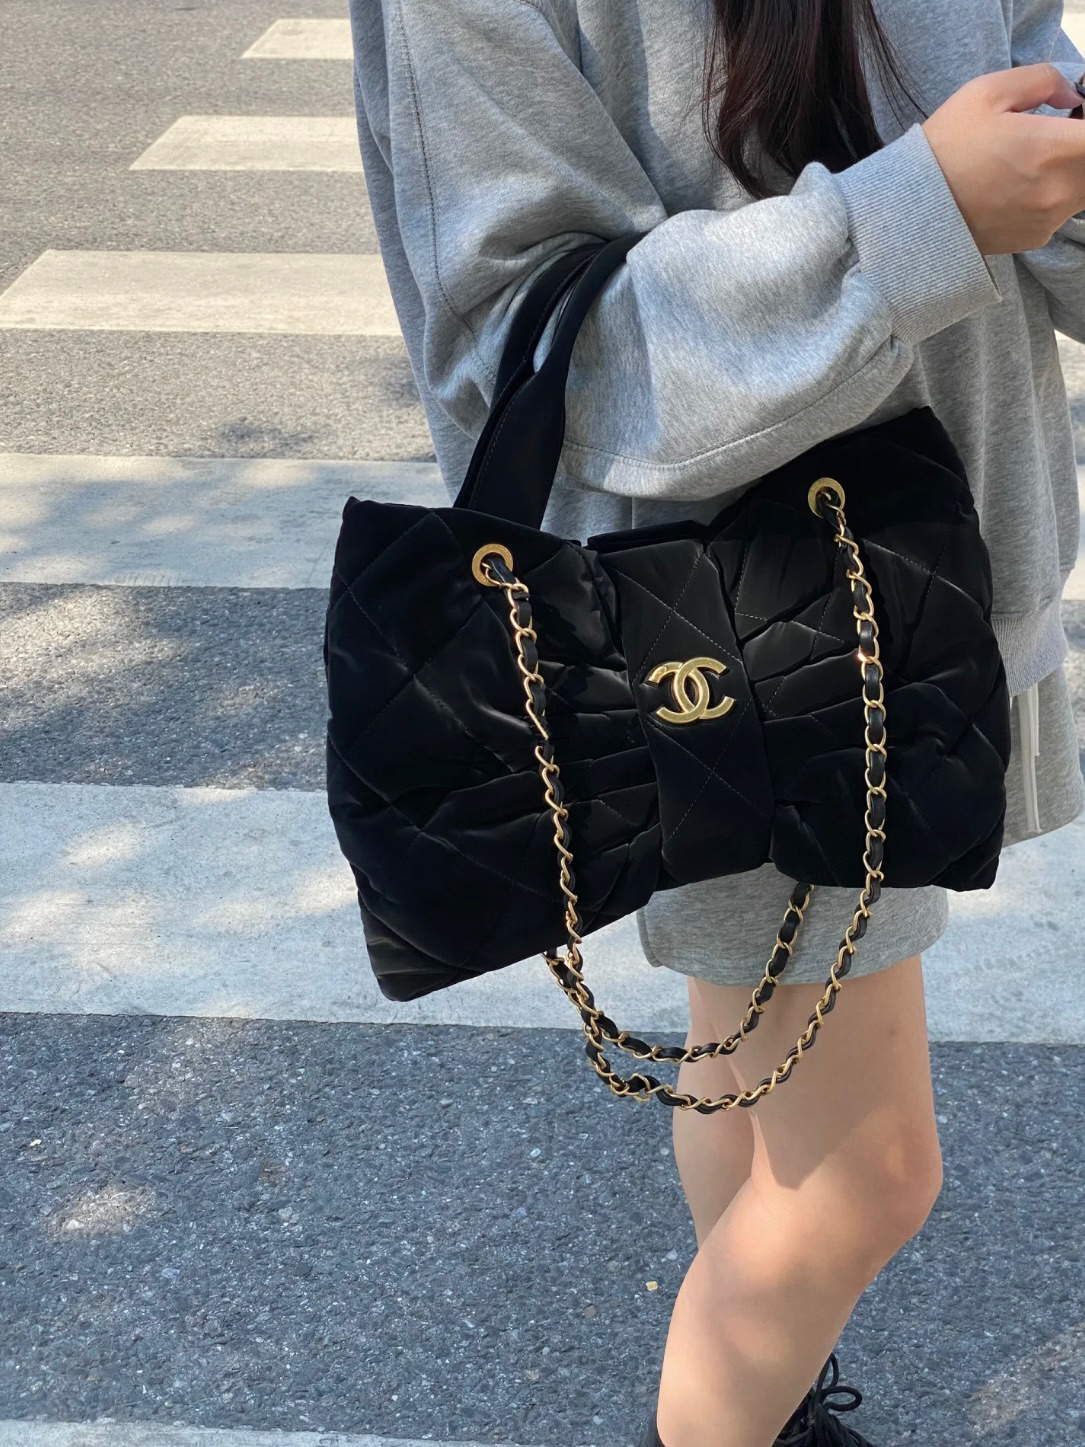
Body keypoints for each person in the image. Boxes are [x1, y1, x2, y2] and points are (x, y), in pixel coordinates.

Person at [346, 1, 1085, 1443]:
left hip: (899, 605)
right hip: (741, 647)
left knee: (751, 1070)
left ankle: (769, 1406)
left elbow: (1030, 131)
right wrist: (917, 213)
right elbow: (513, 337)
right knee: (867, 1177)